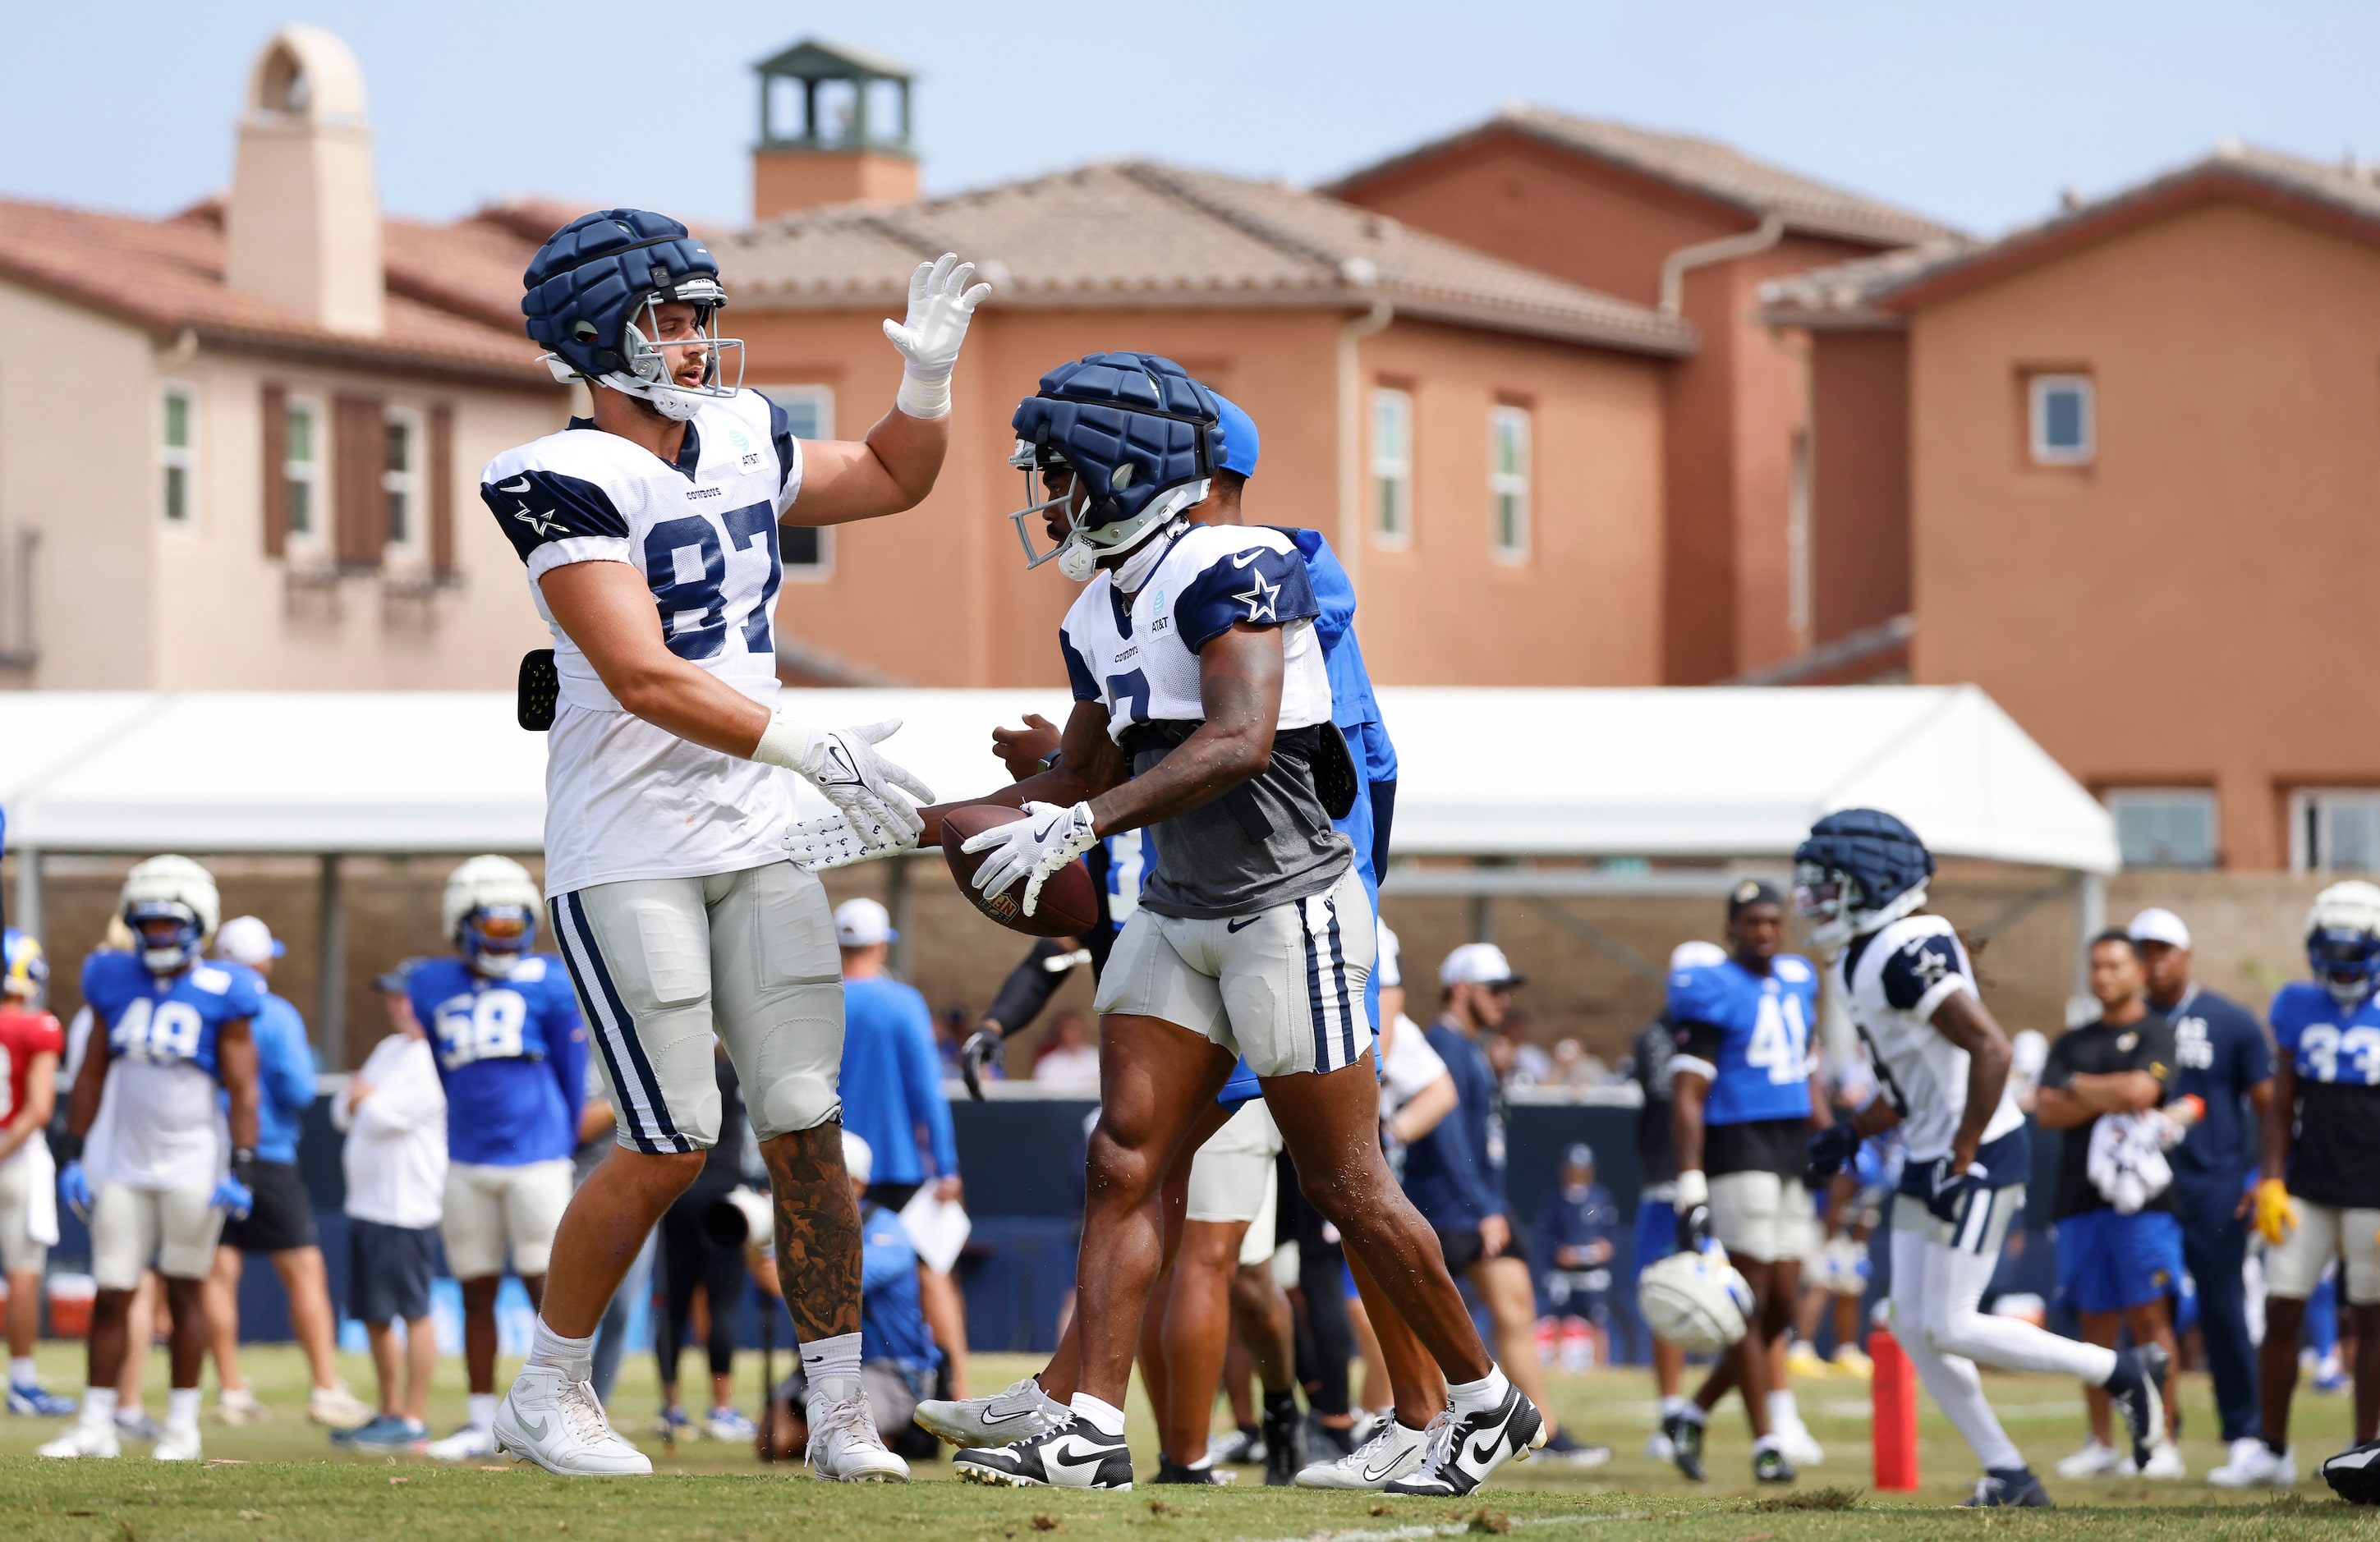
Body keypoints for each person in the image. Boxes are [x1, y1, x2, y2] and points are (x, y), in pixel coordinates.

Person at [895, 351, 1537, 1495]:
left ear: (1131, 469)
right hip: (1176, 906)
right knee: (1122, 1158)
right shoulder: (1098, 605)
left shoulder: (1241, 563)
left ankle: (1483, 1402)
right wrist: (899, 812)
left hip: (1288, 904)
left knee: (1344, 1179)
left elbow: (1238, 738)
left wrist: (1077, 819)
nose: (1049, 498)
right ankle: (1085, 1423)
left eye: (1064, 474)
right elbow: (1070, 774)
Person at [481, 211, 981, 1479]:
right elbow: (644, 674)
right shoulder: (556, 472)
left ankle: (839, 1412)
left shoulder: (743, 434)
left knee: (813, 1127)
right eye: (672, 316)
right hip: (630, 843)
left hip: (755, 831)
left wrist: (923, 384)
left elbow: (889, 475)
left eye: (704, 313)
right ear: (598, 334)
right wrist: (812, 749)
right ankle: (546, 1391)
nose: (699, 339)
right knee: (669, 1138)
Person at [1795, 810, 2168, 1508]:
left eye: (1828, 883)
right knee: (1908, 1321)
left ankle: (2122, 1369)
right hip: (1934, 1151)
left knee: (1954, 1323)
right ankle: (2010, 1474)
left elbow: (1990, 1051)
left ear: (1874, 884)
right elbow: (1916, 1081)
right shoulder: (1860, 955)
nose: (1811, 899)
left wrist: (1962, 1155)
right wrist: (1855, 1128)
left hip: (1978, 1150)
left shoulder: (1906, 947)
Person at [39, 857, 264, 1463]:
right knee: (112, 1290)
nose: (159, 936)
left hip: (196, 1160)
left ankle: (183, 1427)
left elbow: (245, 1088)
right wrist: (75, 1149)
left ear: (198, 924)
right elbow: (90, 1072)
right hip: (124, 1160)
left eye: (171, 924)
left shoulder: (227, 989)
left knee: (186, 1290)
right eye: (150, 924)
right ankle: (96, 1424)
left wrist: (242, 1164)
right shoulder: (110, 975)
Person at [410, 857, 589, 1464]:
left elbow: (572, 1078)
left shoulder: (551, 980)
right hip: (467, 1159)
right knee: (475, 1291)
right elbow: (441, 1067)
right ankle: (482, 1419)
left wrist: (558, 1144)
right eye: (493, 928)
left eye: (515, 929)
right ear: (460, 924)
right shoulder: (430, 982)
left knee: (549, 1290)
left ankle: (556, 1414)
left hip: (536, 1158)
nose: (503, 941)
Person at [1662, 879, 1830, 1483]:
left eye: (1772, 922)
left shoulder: (1799, 979)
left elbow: (1809, 1072)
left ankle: (1693, 1413)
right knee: (1749, 1304)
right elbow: (1688, 1093)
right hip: (1739, 1148)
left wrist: (1831, 1137)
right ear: (1731, 927)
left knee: (1781, 1307)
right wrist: (1690, 1181)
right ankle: (1768, 1442)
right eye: (1752, 922)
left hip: (1791, 1151)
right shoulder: (1710, 988)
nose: (1764, 932)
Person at [1398, 943, 1579, 1467]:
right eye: (1494, 990)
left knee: (1515, 1308)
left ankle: (1542, 1429)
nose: (1504, 1000)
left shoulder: (1471, 1047)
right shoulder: (1444, 1047)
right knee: (1423, 1326)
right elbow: (1447, 1138)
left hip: (1479, 1204)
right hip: (1450, 1208)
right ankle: (1403, 1424)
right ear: (1461, 989)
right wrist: (1482, 1207)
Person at [2122, 906, 2277, 1488]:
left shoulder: (2229, 1020)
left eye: (2162, 950)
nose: (2153, 961)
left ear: (2186, 955)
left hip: (2213, 1188)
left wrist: (2264, 1176)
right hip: (2140, 1188)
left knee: (2222, 1310)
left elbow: (2269, 1105)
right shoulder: (2123, 1022)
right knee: (2143, 1312)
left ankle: (2244, 1434)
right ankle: (2158, 1435)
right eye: (2143, 951)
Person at [200, 916, 373, 1431]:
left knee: (218, 1272)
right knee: (303, 1271)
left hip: (212, 1152)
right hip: (268, 1152)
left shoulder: (202, 1006)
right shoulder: (275, 1014)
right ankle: (324, 1386)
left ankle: (230, 1388)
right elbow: (299, 1090)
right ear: (261, 963)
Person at [2234, 881, 2380, 1488]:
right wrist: (2271, 1177)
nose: (2343, 964)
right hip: (2308, 1184)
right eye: (2334, 949)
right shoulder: (2295, 1003)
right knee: (2281, 1308)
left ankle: (2366, 1448)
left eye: (2356, 950)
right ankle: (2271, 1448)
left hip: (2375, 1188)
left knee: (2372, 1319)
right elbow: (2281, 1101)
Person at [2037, 932, 2190, 1479]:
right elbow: (2046, 1109)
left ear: (2137, 971)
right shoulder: (2071, 1040)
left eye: (2114, 965)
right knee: (2095, 1323)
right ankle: (2101, 1442)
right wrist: (2101, 1090)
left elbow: (2140, 1094)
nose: (2103, 975)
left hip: (2143, 1203)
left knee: (2150, 1318)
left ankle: (2163, 1441)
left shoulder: (2156, 1032)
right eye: (2095, 966)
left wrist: (2078, 1087)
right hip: (2080, 1200)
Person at [831, 898, 968, 1397]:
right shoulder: (902, 1002)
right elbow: (926, 1092)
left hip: (830, 1166)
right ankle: (961, 1395)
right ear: (883, 942)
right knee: (931, 1273)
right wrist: (947, 1166)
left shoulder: (817, 1002)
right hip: (896, 1165)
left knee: (822, 1270)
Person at [757, 1132, 945, 1462]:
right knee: (773, 1442)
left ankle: (902, 1433)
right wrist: (757, 1235)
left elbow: (832, 1286)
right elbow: (778, 1289)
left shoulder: (889, 1231)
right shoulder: (803, 1227)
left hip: (890, 1368)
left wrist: (775, 1262)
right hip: (818, 1362)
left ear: (855, 1185)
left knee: (847, 1442)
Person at [327, 970, 448, 1453]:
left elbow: (384, 1117)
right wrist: (364, 1101)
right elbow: (344, 1109)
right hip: (369, 1203)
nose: (398, 1007)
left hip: (407, 1205)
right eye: (394, 998)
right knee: (375, 1315)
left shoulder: (431, 1056)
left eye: (407, 998)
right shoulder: (389, 1050)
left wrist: (365, 1100)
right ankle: (390, 1410)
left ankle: (413, 1418)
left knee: (412, 1310)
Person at [1630, 939, 1721, 1460]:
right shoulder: (1658, 1038)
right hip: (1670, 1180)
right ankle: (1670, 1412)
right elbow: (1674, 1096)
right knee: (1667, 1296)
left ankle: (1774, 1416)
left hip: (1720, 1179)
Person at [653, 1044, 756, 1443]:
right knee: (722, 1304)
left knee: (673, 1304)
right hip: (722, 1194)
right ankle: (722, 1408)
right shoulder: (733, 1073)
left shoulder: (671, 1074)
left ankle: (672, 1408)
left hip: (677, 1192)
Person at [0, 929, 70, 1416]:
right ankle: (22, 1382)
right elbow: (40, 1108)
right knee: (24, 1274)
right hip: (16, 1159)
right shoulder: (37, 1026)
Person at [1536, 1144, 1618, 1371]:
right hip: (1564, 1273)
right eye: (1573, 1169)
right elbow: (1546, 1236)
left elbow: (1610, 1237)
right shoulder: (1554, 1199)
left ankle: (1602, 1367)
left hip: (1593, 1274)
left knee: (1598, 1320)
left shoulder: (1601, 1198)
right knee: (1558, 1319)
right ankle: (1555, 1365)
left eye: (1582, 1169)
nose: (1577, 1174)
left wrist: (1602, 1249)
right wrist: (1559, 1252)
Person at [1032, 1014, 1102, 1090]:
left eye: (1075, 1028)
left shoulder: (1099, 1059)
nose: (1072, 1033)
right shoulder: (1048, 1063)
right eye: (1068, 1028)